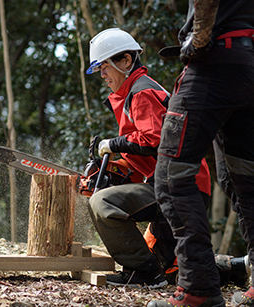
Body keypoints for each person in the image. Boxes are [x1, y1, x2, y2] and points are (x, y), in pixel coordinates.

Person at [85, 28, 213, 289]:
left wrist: (113, 144)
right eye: (99, 69)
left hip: (180, 187)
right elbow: (145, 155)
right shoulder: (132, 94)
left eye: (105, 66)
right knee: (172, 269)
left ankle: (143, 275)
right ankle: (235, 267)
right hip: (171, 184)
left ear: (126, 61)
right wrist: (114, 171)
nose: (103, 75)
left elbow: (152, 139)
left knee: (103, 203)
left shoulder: (142, 92)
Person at [147, 0, 254, 306]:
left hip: (216, 59)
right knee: (244, 179)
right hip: (248, 63)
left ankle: (198, 289)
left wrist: (199, 40)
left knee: (171, 177)